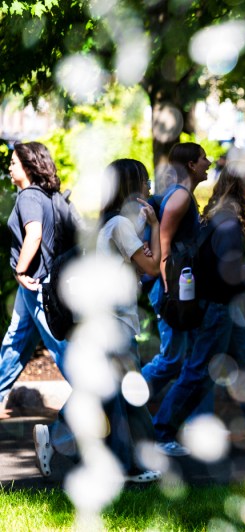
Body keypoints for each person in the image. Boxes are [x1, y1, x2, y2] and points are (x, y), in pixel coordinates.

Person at [151, 162, 245, 456]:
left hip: (221, 307)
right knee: (197, 373)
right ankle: (160, 433)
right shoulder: (230, 222)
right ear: (239, 184)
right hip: (217, 310)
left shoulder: (218, 215)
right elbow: (227, 273)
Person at [33, 159, 162, 482]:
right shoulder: (119, 225)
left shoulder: (109, 225)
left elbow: (130, 270)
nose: (148, 188)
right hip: (114, 323)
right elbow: (152, 267)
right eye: (145, 182)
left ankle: (132, 462)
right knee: (113, 395)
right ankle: (66, 437)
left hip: (106, 321)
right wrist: (157, 226)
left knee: (118, 398)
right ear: (132, 187)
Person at [140, 143, 213, 421]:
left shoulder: (182, 195)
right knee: (171, 360)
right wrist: (170, 292)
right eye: (204, 158)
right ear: (192, 165)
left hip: (176, 284)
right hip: (170, 285)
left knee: (192, 357)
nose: (209, 162)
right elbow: (164, 242)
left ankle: (195, 423)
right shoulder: (181, 196)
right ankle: (124, 401)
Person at [0, 142, 69, 404]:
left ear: (29, 166)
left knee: (60, 346)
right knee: (15, 340)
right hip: (39, 283)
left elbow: (34, 234)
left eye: (14, 162)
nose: (9, 165)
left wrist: (20, 270)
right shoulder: (48, 195)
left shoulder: (28, 196)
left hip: (35, 282)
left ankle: (95, 397)